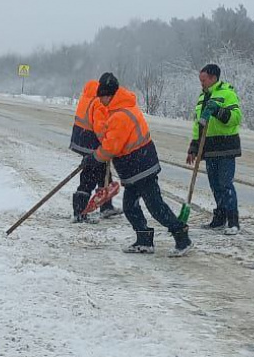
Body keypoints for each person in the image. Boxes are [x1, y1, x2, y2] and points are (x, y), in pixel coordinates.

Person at [91, 72, 192, 256]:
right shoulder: (120, 109)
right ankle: (144, 240)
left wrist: (93, 158)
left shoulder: (121, 115)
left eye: (102, 97)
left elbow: (111, 147)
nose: (101, 101)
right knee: (130, 207)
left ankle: (181, 235)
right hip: (134, 168)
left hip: (141, 167)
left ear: (109, 95)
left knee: (156, 207)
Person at [185, 64, 243, 234]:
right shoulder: (202, 98)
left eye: (203, 80)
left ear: (213, 78)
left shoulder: (227, 93)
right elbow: (198, 126)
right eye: (200, 80)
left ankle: (233, 221)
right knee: (215, 185)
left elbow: (236, 118)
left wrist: (217, 111)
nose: (201, 83)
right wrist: (193, 148)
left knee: (225, 184)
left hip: (226, 147)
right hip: (209, 148)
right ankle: (220, 218)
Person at [67, 78, 120, 222]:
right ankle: (80, 212)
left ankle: (106, 206)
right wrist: (107, 143)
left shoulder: (86, 96)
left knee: (103, 173)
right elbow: (99, 127)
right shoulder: (98, 102)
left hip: (81, 139)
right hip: (92, 143)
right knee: (89, 177)